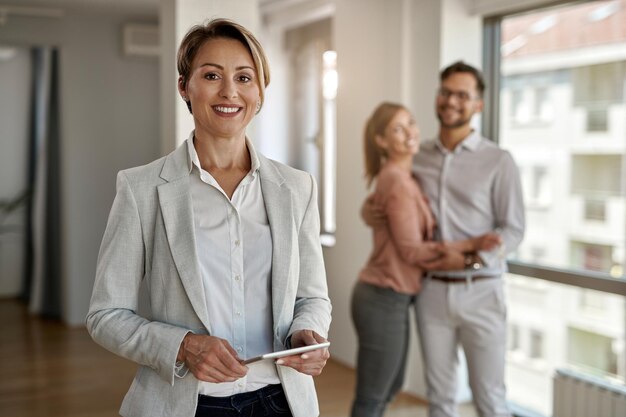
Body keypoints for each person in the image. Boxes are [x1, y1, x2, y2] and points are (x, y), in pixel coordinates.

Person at [86, 18, 332, 417]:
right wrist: (182, 345)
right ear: (185, 86)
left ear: (260, 91)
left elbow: (312, 296)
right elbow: (105, 316)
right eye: (212, 75)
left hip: (281, 401)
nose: (229, 92)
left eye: (245, 77)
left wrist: (309, 332)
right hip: (187, 404)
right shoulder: (141, 188)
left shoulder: (296, 187)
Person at [363, 61, 525, 417]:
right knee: (440, 399)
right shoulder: (415, 157)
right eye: (446, 92)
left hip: (482, 289)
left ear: (478, 105)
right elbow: (386, 195)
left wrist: (472, 259)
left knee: (490, 400)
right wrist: (367, 211)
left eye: (462, 96)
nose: (452, 101)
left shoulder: (499, 161)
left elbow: (513, 230)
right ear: (437, 97)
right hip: (431, 292)